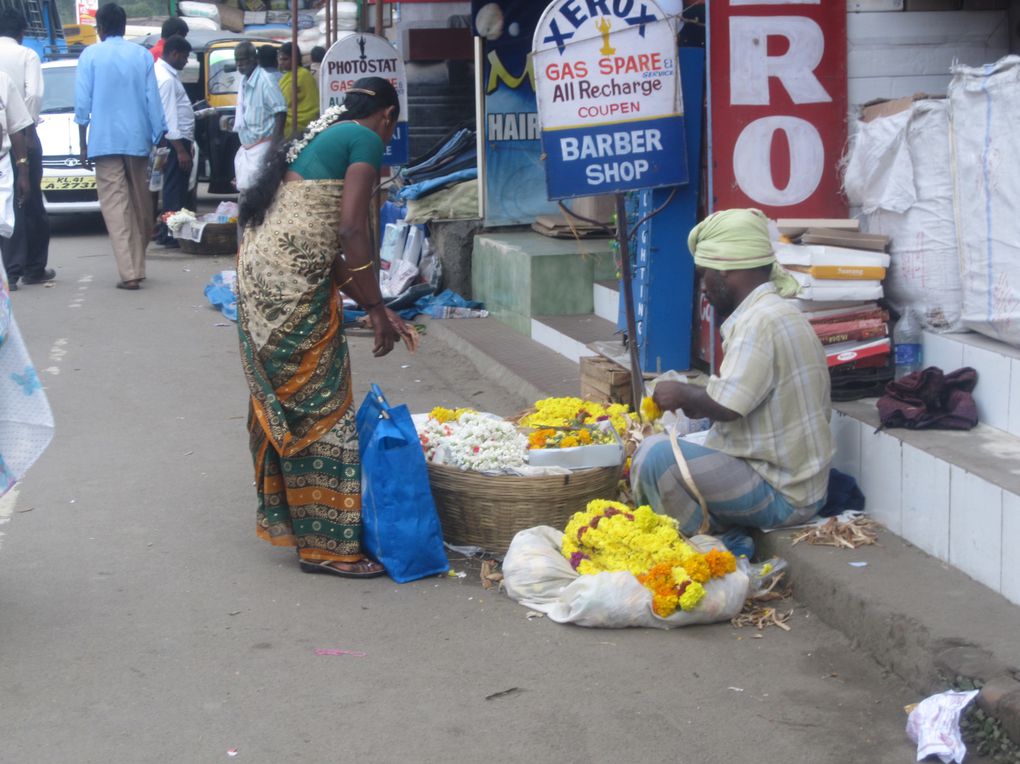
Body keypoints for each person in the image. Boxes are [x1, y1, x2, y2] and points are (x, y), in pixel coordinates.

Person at [236, 77, 417, 579]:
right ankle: (327, 548)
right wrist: (377, 307)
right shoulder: (365, 138)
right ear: (388, 116)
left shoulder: (326, 137)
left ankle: (297, 525)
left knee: (294, 399)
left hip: (262, 278)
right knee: (321, 403)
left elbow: (324, 244)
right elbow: (350, 229)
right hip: (290, 285)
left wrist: (377, 305)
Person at [631, 208, 833, 546]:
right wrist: (697, 402)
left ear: (726, 271)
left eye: (704, 274)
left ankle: (712, 546)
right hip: (795, 481)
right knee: (686, 435)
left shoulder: (761, 321)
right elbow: (737, 398)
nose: (703, 288)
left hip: (784, 493)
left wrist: (682, 394)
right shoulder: (773, 311)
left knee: (654, 458)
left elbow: (729, 407)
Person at [75, 3, 166, 291]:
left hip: (103, 140)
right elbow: (153, 98)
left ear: (99, 28)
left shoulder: (90, 55)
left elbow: (82, 102)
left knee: (115, 206)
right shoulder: (141, 56)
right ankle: (137, 266)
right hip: (138, 140)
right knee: (141, 203)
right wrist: (159, 134)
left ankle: (129, 272)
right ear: (124, 27)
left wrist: (82, 141)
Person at [0, 9, 52, 291]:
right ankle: (32, 267)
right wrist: (28, 128)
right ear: (21, 33)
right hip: (22, 136)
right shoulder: (27, 55)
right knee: (28, 201)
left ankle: (11, 268)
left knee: (8, 206)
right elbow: (33, 94)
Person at [153, 34, 193, 248]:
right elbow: (169, 117)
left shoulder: (166, 73)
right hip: (175, 142)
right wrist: (181, 150)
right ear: (174, 54)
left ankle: (168, 231)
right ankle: (171, 233)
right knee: (174, 188)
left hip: (178, 141)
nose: (186, 62)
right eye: (185, 57)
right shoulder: (166, 79)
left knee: (173, 186)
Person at [232, 41, 286, 197]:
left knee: (259, 197)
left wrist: (274, 146)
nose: (240, 64)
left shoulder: (265, 80)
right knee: (247, 196)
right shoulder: (243, 81)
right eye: (237, 60)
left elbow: (280, 111)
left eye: (243, 60)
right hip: (249, 148)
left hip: (264, 146)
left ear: (254, 59)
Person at [278, 42, 318, 135]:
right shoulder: (284, 77)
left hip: (302, 123)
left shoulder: (303, 75)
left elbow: (285, 100)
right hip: (286, 121)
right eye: (280, 59)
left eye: (285, 59)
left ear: (295, 58)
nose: (281, 62)